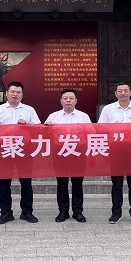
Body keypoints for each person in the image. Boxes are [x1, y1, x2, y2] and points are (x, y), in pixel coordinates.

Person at [0, 81, 41, 224]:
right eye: (12, 92)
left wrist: (28, 124)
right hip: (5, 149)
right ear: (6, 93)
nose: (15, 95)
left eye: (18, 92)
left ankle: (27, 212)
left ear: (22, 95)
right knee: (4, 183)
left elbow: (38, 128)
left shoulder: (29, 110)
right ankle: (6, 213)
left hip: (24, 149)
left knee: (26, 182)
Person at [98, 82, 131, 225]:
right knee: (116, 184)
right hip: (116, 151)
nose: (123, 93)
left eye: (126, 90)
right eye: (120, 91)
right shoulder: (108, 109)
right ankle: (116, 213)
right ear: (115, 94)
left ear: (130, 93)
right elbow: (101, 128)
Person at [45, 88, 91, 223]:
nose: (68, 101)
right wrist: (47, 127)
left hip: (78, 154)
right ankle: (63, 211)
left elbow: (91, 134)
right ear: (61, 101)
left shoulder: (83, 116)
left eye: (71, 98)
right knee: (62, 183)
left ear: (76, 101)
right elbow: (45, 135)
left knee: (77, 184)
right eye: (65, 98)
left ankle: (78, 212)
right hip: (60, 154)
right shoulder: (53, 116)